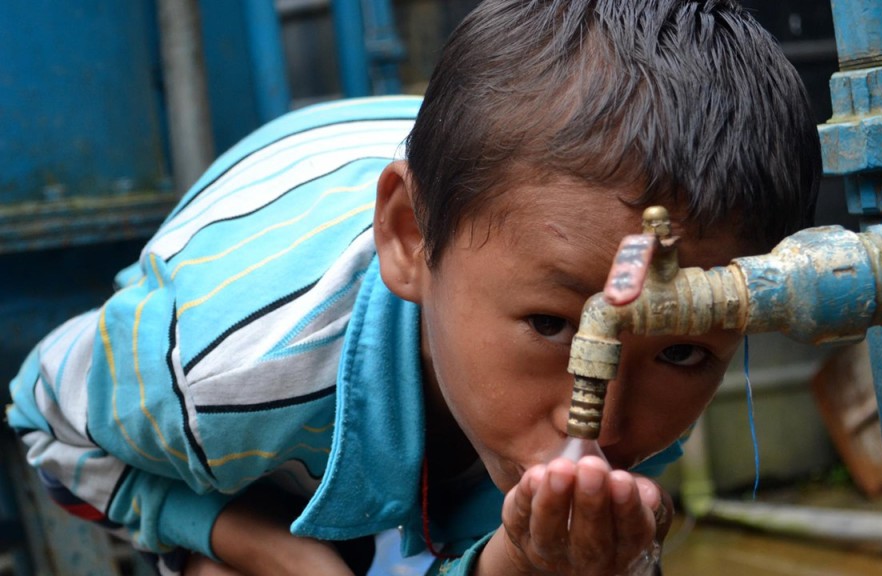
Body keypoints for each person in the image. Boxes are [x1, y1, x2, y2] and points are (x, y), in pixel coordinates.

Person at [5, 0, 820, 574]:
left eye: (684, 349)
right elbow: (40, 415)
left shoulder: (627, 345)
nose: (606, 422)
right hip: (276, 243)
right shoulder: (225, 374)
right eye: (547, 325)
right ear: (406, 238)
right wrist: (241, 541)